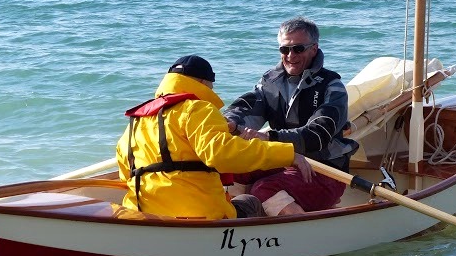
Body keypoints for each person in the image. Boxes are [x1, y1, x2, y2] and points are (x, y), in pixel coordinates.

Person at [116, 55, 312, 220]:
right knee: (249, 201)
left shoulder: (137, 120)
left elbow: (126, 174)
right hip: (199, 216)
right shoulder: (198, 109)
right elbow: (223, 154)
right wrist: (288, 155)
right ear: (202, 83)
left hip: (143, 214)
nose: (212, 91)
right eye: (211, 85)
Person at [224, 17, 357, 216]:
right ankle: (234, 223)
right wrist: (229, 123)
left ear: (314, 48)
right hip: (282, 161)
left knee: (264, 188)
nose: (290, 55)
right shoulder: (270, 81)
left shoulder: (332, 86)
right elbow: (246, 109)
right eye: (284, 49)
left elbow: (318, 135)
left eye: (298, 49)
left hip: (324, 170)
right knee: (228, 170)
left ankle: (298, 232)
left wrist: (269, 138)